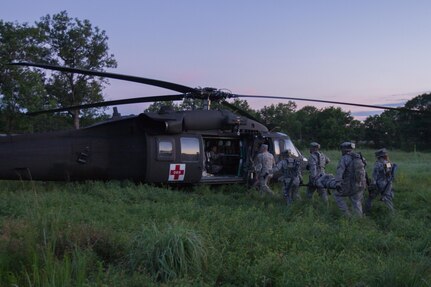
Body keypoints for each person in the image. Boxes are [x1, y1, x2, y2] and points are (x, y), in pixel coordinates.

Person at [333, 142, 366, 217]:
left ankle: (347, 215)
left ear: (344, 149)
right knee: (356, 201)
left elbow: (340, 171)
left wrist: (338, 182)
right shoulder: (360, 157)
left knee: (337, 195)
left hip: (349, 184)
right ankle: (359, 218)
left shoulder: (344, 158)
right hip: (361, 183)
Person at [365, 148, 396, 212]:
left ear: (378, 156)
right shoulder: (388, 163)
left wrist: (372, 184)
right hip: (387, 184)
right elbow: (389, 174)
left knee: (370, 198)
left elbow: (374, 175)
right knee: (387, 199)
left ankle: (366, 211)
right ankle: (392, 212)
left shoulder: (378, 164)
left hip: (378, 184)